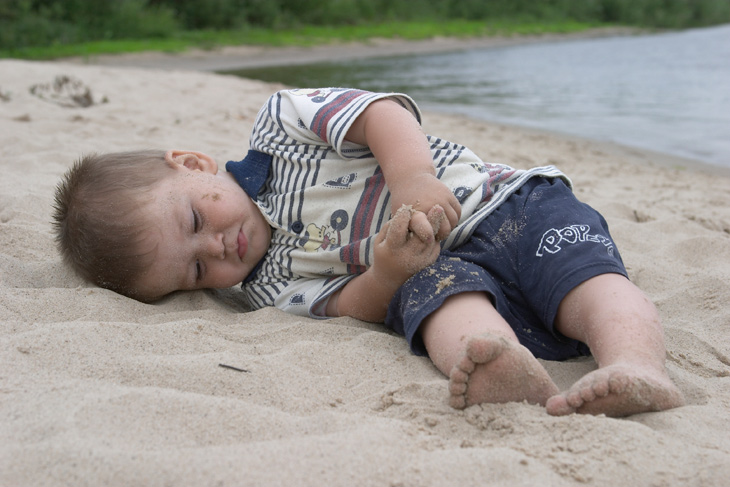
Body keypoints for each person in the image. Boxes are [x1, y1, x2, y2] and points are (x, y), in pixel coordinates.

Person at [53, 87, 685, 417]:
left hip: (508, 204)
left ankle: (636, 366)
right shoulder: (262, 290)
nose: (217, 247)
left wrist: (411, 178)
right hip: (434, 268)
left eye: (196, 217)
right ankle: (495, 362)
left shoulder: (281, 126)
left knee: (585, 280)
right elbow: (347, 306)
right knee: (438, 304)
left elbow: (379, 113)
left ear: (191, 163)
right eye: (195, 269)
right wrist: (385, 272)